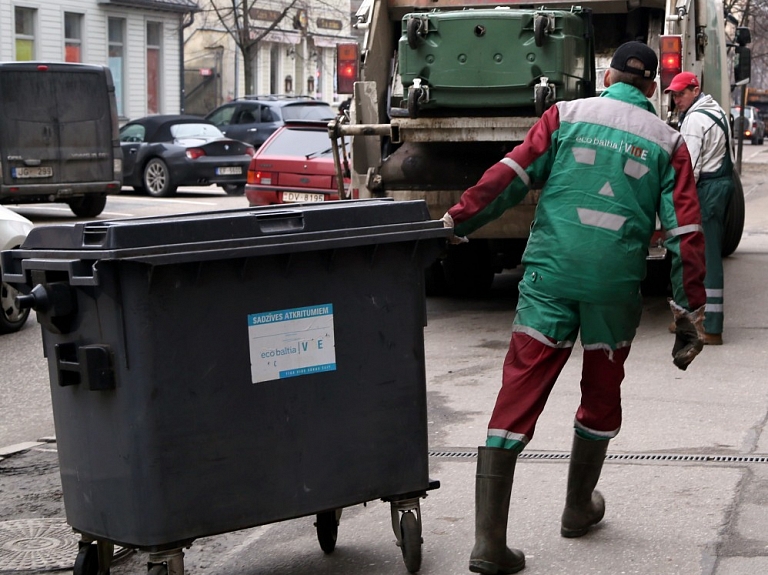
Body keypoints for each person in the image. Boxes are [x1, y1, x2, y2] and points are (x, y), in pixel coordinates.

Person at [440, 42, 707, 574]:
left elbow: (510, 176)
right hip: (614, 287)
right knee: (602, 394)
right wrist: (688, 313)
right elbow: (686, 234)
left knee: (518, 393)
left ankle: (488, 544)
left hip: (549, 277)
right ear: (652, 87)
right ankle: (578, 508)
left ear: (606, 75)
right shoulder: (668, 140)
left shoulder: (564, 115)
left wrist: (456, 222)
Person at [665, 71, 734, 345]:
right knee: (700, 255)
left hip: (707, 191)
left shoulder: (694, 120)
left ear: (695, 90)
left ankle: (711, 327)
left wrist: (676, 198)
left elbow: (688, 168)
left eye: (681, 94)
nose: (677, 99)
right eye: (674, 94)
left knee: (706, 256)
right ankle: (691, 319)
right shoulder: (714, 109)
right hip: (719, 184)